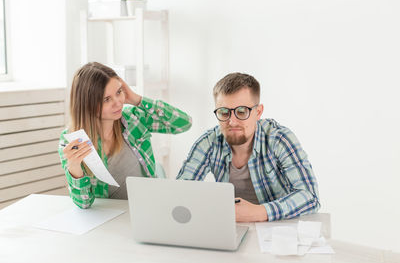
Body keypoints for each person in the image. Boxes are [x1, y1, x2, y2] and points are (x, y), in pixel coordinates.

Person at [177, 72, 320, 222]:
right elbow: (181, 192)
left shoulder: (279, 139)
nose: (232, 121)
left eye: (241, 112)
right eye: (224, 112)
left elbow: (310, 196)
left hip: (278, 229)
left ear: (258, 112)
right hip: (229, 229)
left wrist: (259, 212)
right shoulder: (209, 142)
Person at [59, 62, 192, 209]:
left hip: (149, 207)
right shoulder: (71, 141)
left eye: (119, 92)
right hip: (111, 218)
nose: (118, 102)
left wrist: (137, 99)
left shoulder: (133, 119)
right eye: (106, 99)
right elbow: (84, 204)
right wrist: (74, 168)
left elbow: (184, 123)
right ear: (87, 104)